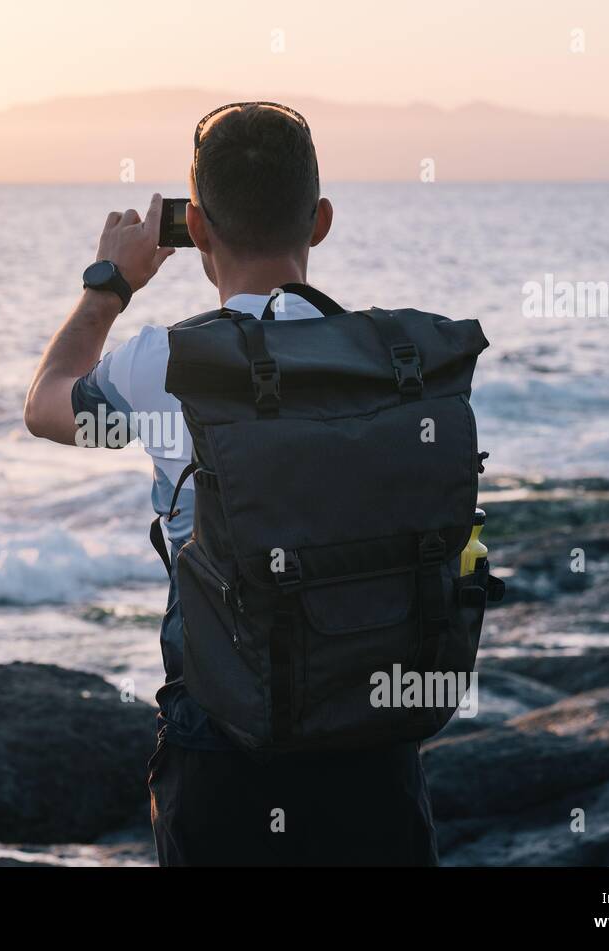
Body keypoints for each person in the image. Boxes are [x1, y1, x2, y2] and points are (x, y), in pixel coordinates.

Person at [24, 103, 438, 866]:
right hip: (377, 747)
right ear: (319, 221)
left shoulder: (167, 367)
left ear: (198, 230)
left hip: (224, 759)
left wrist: (110, 283)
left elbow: (48, 403)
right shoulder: (405, 361)